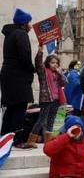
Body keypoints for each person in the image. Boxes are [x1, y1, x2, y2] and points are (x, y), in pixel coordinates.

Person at [0, 8, 36, 146]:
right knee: (20, 108)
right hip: (18, 77)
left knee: (11, 108)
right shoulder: (21, 34)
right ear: (24, 23)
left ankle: (4, 138)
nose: (31, 25)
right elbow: (25, 56)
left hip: (9, 75)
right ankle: (17, 140)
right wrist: (32, 69)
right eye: (29, 22)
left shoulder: (10, 34)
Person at [27, 49, 67, 148]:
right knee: (41, 120)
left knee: (51, 120)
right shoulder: (44, 72)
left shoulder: (58, 73)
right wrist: (40, 50)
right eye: (52, 62)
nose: (55, 65)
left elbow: (65, 83)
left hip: (56, 100)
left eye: (56, 63)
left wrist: (60, 73)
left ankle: (48, 141)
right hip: (46, 99)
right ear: (48, 63)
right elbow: (38, 62)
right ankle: (31, 140)